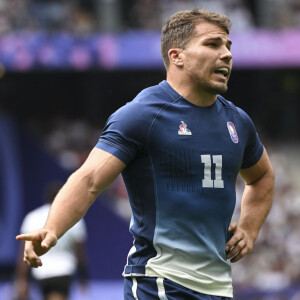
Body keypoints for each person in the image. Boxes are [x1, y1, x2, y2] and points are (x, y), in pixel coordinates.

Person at [16, 9, 275, 300]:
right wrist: (52, 228)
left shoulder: (237, 121)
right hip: (160, 283)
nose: (227, 54)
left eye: (228, 46)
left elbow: (262, 176)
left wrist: (250, 229)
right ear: (177, 56)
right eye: (213, 44)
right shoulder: (142, 115)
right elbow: (89, 179)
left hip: (219, 288)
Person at [14, 181, 88, 300]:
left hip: (41, 272)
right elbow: (79, 252)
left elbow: (24, 252)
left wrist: (21, 280)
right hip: (64, 271)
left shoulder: (32, 217)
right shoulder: (75, 219)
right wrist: (84, 275)